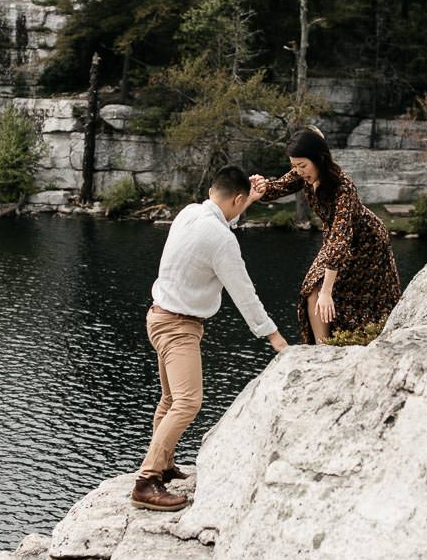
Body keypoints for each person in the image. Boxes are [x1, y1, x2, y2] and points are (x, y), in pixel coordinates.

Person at [134, 164, 288, 513]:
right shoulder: (222, 240)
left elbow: (220, 224)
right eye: (242, 202)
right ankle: (146, 481)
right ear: (236, 199)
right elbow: (244, 293)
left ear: (211, 192)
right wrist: (272, 335)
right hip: (178, 327)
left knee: (170, 399)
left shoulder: (190, 213)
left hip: (159, 317)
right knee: (188, 402)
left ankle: (164, 465)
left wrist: (248, 201)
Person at [249, 129, 403, 345]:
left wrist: (327, 290)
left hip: (368, 243)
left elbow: (341, 239)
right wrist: (262, 187)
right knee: (312, 289)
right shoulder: (303, 174)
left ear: (319, 159)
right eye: (294, 166)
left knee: (357, 300)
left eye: (302, 165)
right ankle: (322, 349)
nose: (298, 171)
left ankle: (355, 342)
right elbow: (278, 188)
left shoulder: (343, 187)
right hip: (336, 240)